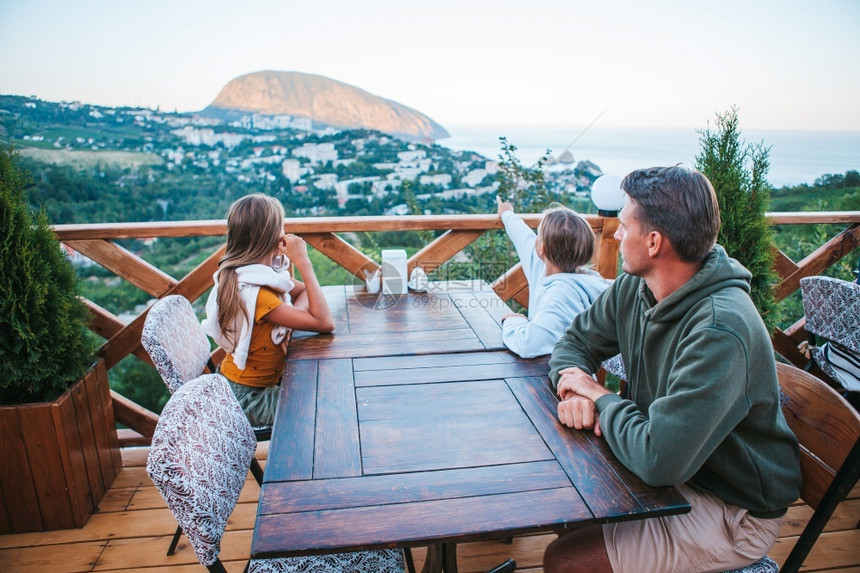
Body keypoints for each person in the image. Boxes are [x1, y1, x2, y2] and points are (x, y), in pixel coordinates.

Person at [543, 166, 802, 573]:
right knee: (566, 506)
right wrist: (573, 388)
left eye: (623, 225)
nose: (612, 235)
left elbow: (659, 459)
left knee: (566, 560)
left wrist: (599, 396)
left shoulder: (720, 330)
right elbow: (574, 342)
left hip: (731, 509)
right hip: (675, 466)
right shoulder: (637, 285)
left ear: (653, 242)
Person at [202, 194, 334, 426]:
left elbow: (303, 296)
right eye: (282, 226)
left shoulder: (255, 275)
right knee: (322, 409)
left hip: (244, 385)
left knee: (321, 395)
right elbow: (324, 322)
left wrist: (289, 320)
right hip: (248, 397)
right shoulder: (257, 293)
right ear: (272, 236)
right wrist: (304, 262)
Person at [496, 197, 609, 358]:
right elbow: (521, 235)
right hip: (554, 369)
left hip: (563, 378)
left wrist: (514, 321)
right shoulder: (585, 280)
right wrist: (507, 214)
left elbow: (528, 345)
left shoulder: (561, 295)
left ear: (541, 248)